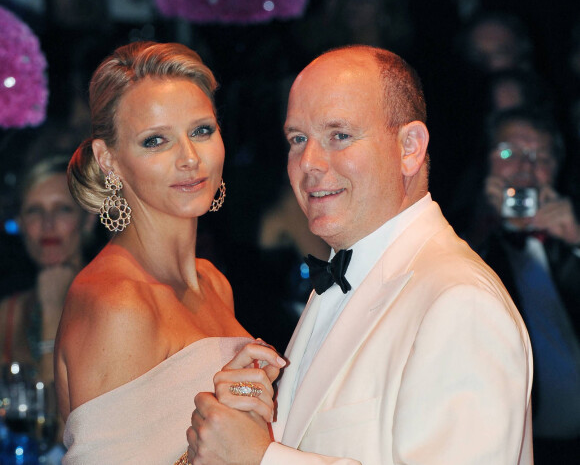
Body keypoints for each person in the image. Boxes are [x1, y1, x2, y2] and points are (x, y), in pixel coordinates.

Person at [186, 45, 534, 464]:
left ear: (409, 147)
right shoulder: (342, 277)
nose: (309, 162)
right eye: (298, 139)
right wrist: (252, 421)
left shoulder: (460, 300)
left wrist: (260, 458)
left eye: (339, 135)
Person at [54, 41, 284, 464]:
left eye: (201, 131)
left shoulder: (214, 282)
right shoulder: (118, 302)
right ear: (109, 160)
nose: (190, 158)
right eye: (156, 140)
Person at [463, 107, 580, 464]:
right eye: (509, 154)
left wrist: (577, 241)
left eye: (541, 156)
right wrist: (483, 223)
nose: (526, 169)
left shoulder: (570, 236)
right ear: (484, 162)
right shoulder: (459, 240)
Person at [0, 156, 97, 385]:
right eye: (34, 211)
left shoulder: (112, 302)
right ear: (20, 222)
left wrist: (53, 313)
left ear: (87, 220)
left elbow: (63, 417)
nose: (48, 223)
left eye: (62, 209)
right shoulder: (7, 314)